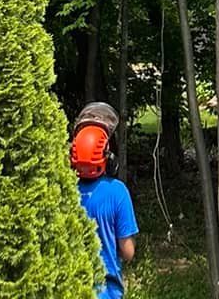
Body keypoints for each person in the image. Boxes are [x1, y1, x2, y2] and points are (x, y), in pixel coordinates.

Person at [70, 103, 138, 297]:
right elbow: (128, 252)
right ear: (106, 156)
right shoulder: (117, 192)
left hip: (70, 288)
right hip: (107, 292)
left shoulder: (64, 191)